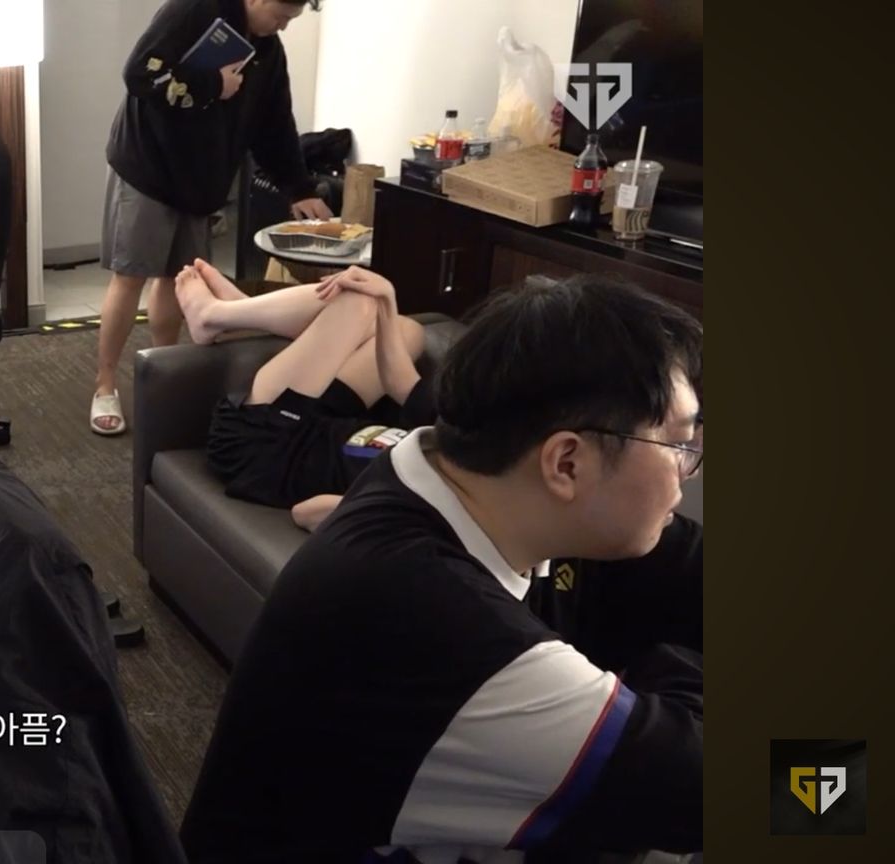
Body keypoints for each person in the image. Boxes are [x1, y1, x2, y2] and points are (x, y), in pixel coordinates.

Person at [182, 274, 704, 862]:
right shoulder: (436, 620)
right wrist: (667, 657)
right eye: (679, 445)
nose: (689, 472)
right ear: (566, 463)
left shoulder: (445, 480)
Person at [90, 0, 330, 436]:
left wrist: (300, 189)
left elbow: (275, 124)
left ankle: (162, 375)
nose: (283, 27)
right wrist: (212, 85)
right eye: (280, 16)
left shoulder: (269, 51)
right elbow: (140, 73)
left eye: (290, 20)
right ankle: (105, 385)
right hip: (148, 166)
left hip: (199, 178)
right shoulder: (194, 9)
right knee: (131, 275)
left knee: (178, 278)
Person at [170, 259, 431, 531]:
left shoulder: (428, 502)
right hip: (328, 418)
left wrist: (385, 508)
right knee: (407, 331)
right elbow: (400, 382)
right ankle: (249, 312)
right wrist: (387, 297)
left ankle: (212, 315)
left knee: (357, 301)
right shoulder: (457, 434)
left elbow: (307, 513)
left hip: (264, 447)